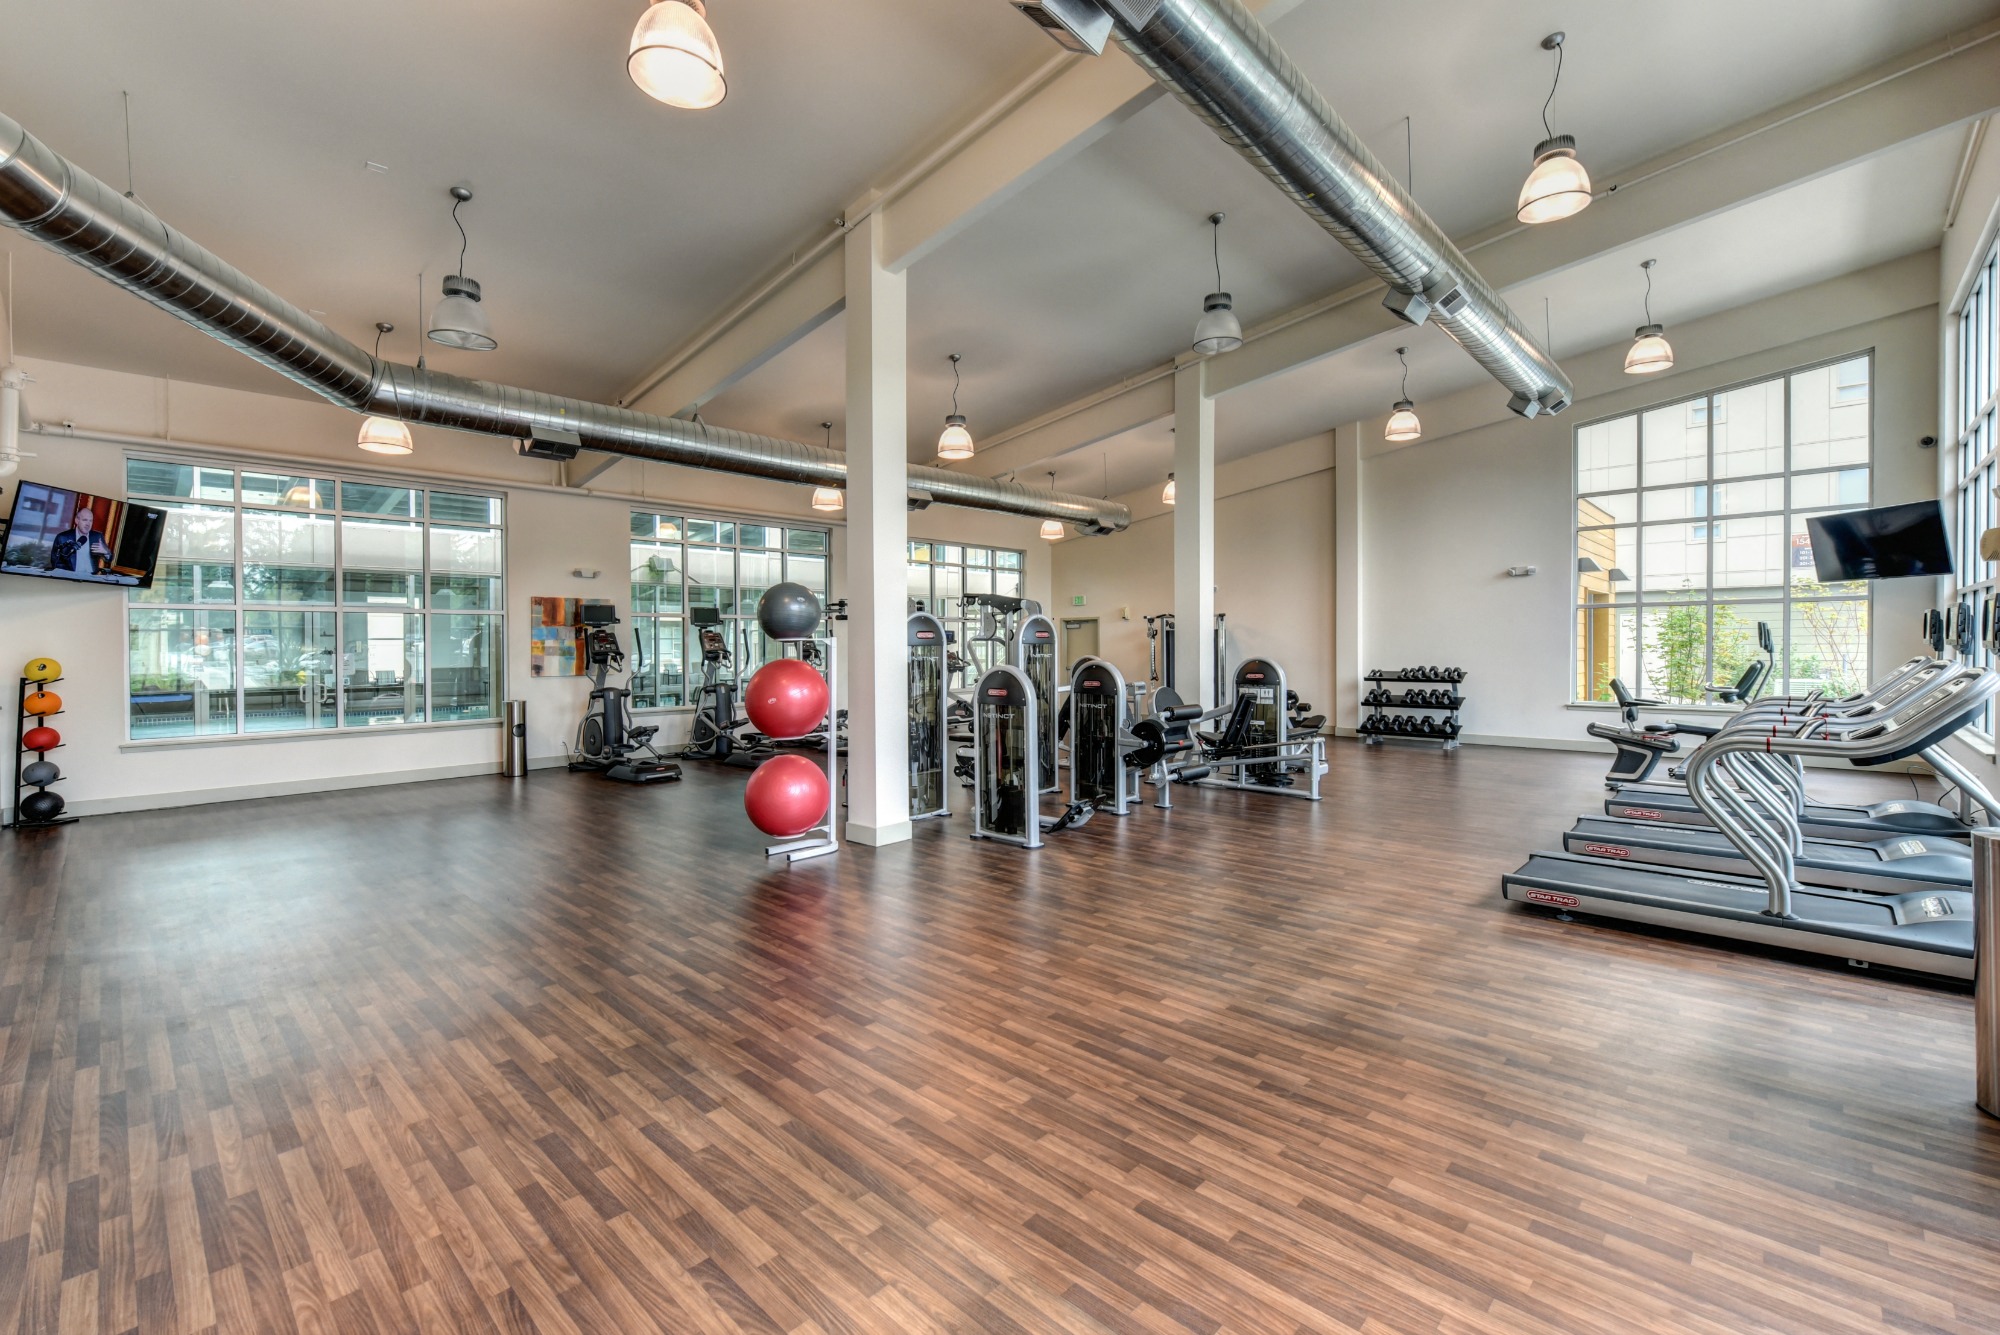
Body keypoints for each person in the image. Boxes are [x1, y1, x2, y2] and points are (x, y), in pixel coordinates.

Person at [47, 501, 111, 577]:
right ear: (77, 520)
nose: (88, 524)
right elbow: (55, 562)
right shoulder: (63, 537)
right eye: (85, 520)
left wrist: (106, 552)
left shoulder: (97, 536)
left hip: (92, 577)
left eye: (91, 520)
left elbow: (109, 559)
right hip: (70, 577)